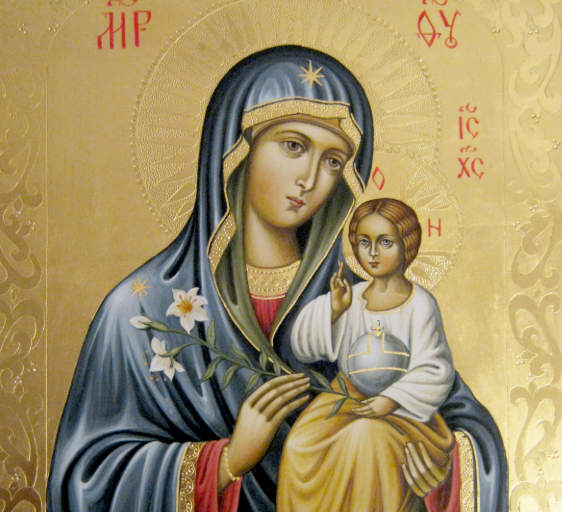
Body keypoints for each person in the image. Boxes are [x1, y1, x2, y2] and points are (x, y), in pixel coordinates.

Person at [47, 47, 508, 512]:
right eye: (293, 146)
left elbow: (464, 430)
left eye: (333, 161)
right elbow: (87, 482)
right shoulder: (142, 309)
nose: (310, 178)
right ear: (236, 149)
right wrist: (225, 462)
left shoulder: (369, 300)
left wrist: (436, 468)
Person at [278, 198, 456, 512]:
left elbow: (435, 368)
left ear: (407, 245)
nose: (372, 252)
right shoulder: (351, 296)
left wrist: (392, 399)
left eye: (385, 242)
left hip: (403, 411)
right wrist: (334, 311)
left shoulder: (420, 304)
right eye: (364, 242)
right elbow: (303, 347)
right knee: (298, 445)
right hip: (345, 400)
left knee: (366, 437)